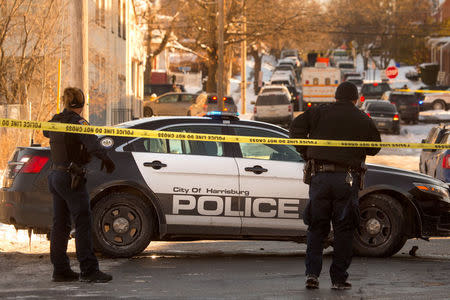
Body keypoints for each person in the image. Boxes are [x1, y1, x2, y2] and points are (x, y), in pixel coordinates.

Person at [289, 81, 381, 290]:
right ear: (355, 99)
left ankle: (312, 274)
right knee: (344, 229)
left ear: (336, 97)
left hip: (320, 177)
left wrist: (306, 151)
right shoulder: (362, 118)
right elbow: (375, 147)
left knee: (316, 226)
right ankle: (339, 279)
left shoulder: (319, 112)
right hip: (347, 180)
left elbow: (295, 128)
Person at [44, 87, 116, 283]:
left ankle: (60, 270)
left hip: (55, 176)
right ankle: (89, 270)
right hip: (71, 178)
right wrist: (106, 159)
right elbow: (93, 144)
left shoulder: (56, 120)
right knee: (83, 222)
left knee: (60, 224)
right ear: (82, 103)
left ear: (65, 102)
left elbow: (45, 131)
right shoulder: (78, 122)